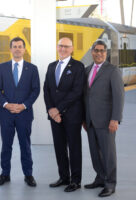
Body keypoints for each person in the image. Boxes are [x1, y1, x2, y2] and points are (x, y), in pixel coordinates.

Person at [0, 37, 40, 187]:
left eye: (20, 46)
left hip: (24, 114)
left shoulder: (32, 69)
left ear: (24, 49)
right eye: (15, 46)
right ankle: (5, 174)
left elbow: (36, 90)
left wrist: (24, 105)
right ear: (10, 49)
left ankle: (28, 174)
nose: (17, 49)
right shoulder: (2, 67)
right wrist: (6, 104)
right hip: (6, 114)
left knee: (25, 145)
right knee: (6, 145)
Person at [83, 40, 124, 197]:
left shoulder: (112, 71)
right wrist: (83, 119)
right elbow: (85, 97)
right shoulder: (87, 70)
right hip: (90, 121)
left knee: (108, 154)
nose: (99, 53)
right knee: (95, 153)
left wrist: (115, 119)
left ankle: (110, 184)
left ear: (106, 53)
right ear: (92, 52)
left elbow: (119, 96)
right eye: (96, 50)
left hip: (107, 121)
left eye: (102, 51)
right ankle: (100, 178)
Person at [43, 37, 85, 192]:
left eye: (66, 47)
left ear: (72, 49)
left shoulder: (78, 66)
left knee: (74, 148)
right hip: (55, 116)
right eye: (60, 46)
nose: (63, 49)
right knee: (59, 147)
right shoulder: (51, 66)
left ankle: (75, 180)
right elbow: (46, 90)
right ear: (57, 47)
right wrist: (51, 109)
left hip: (72, 115)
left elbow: (76, 92)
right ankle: (63, 177)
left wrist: (57, 109)